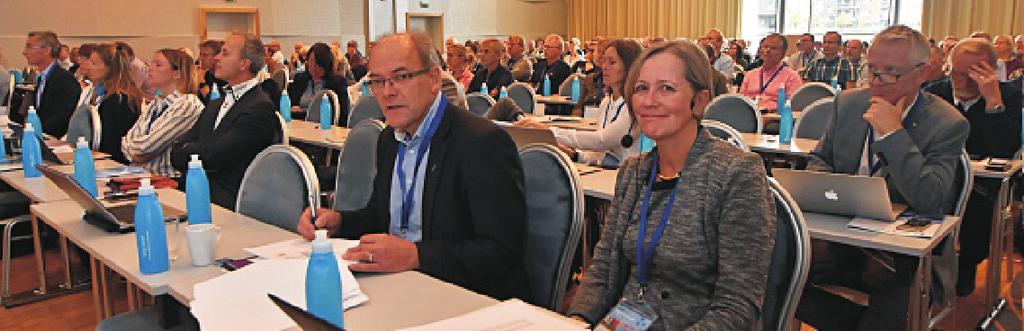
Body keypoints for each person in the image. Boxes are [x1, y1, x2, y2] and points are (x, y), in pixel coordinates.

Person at [296, 32, 528, 300]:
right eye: (377, 81)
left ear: (433, 80)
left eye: (401, 77)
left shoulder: (481, 143)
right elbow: (383, 217)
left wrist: (416, 255)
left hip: (464, 296)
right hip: (400, 285)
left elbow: (502, 253)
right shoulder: (389, 139)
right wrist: (340, 222)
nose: (387, 91)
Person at [566, 40, 775, 330]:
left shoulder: (736, 174)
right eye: (641, 88)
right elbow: (603, 269)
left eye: (667, 88)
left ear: (699, 100)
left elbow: (737, 305)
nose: (649, 101)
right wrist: (578, 321)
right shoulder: (634, 172)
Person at [796, 25, 970, 330]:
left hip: (900, 256)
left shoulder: (947, 124)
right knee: (775, 272)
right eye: (871, 70)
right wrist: (830, 188)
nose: (875, 83)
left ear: (921, 73)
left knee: (892, 306)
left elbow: (932, 199)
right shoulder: (848, 104)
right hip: (841, 237)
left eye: (889, 73)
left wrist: (894, 134)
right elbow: (821, 159)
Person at [924, 38, 1023, 296]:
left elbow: (1004, 149)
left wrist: (993, 103)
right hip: (941, 171)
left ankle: (966, 266)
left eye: (972, 74)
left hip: (983, 181)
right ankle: (926, 266)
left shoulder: (1009, 95)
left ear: (990, 71)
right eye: (957, 73)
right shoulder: (935, 93)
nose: (963, 82)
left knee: (976, 205)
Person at [170, 32, 278, 209]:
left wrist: (189, 151)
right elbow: (176, 149)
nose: (217, 58)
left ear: (244, 63)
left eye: (225, 53)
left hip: (226, 203)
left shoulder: (259, 107)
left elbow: (215, 157)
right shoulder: (215, 104)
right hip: (195, 192)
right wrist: (194, 152)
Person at [515, 39, 642, 167]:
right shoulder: (607, 102)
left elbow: (601, 141)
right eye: (604, 61)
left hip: (627, 177)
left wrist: (548, 131)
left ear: (630, 66)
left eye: (612, 62)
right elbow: (601, 154)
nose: (604, 67)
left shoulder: (635, 105)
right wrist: (575, 155)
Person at [122, 49, 203, 178]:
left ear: (176, 73)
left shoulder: (188, 104)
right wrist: (135, 153)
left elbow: (147, 146)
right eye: (151, 63)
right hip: (141, 175)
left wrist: (137, 151)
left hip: (166, 179)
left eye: (158, 65)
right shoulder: (156, 103)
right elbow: (127, 140)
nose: (150, 68)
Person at [14, 31, 80, 138]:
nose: (24, 52)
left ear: (46, 50)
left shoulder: (65, 80)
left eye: (29, 47)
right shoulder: (43, 78)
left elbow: (61, 120)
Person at [88, 43, 143, 164]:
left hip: (114, 162)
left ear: (109, 68)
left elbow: (112, 141)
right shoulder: (103, 93)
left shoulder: (119, 99)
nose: (88, 67)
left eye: (94, 63)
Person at [287, 42, 350, 125]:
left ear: (326, 64)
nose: (313, 66)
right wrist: (293, 107)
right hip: (300, 124)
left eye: (318, 63)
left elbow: (343, 114)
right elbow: (290, 102)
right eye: (311, 61)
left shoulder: (337, 83)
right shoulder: (300, 79)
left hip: (325, 126)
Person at [739, 33, 803, 112]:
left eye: (773, 48)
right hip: (749, 115)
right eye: (766, 47)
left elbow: (793, 106)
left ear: (783, 54)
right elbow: (741, 101)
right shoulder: (750, 75)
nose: (768, 50)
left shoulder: (792, 76)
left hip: (775, 118)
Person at [197, 39, 227, 104]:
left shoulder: (225, 78)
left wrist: (202, 85)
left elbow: (216, 104)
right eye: (200, 54)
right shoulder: (206, 75)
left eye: (205, 55)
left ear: (217, 56)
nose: (200, 58)